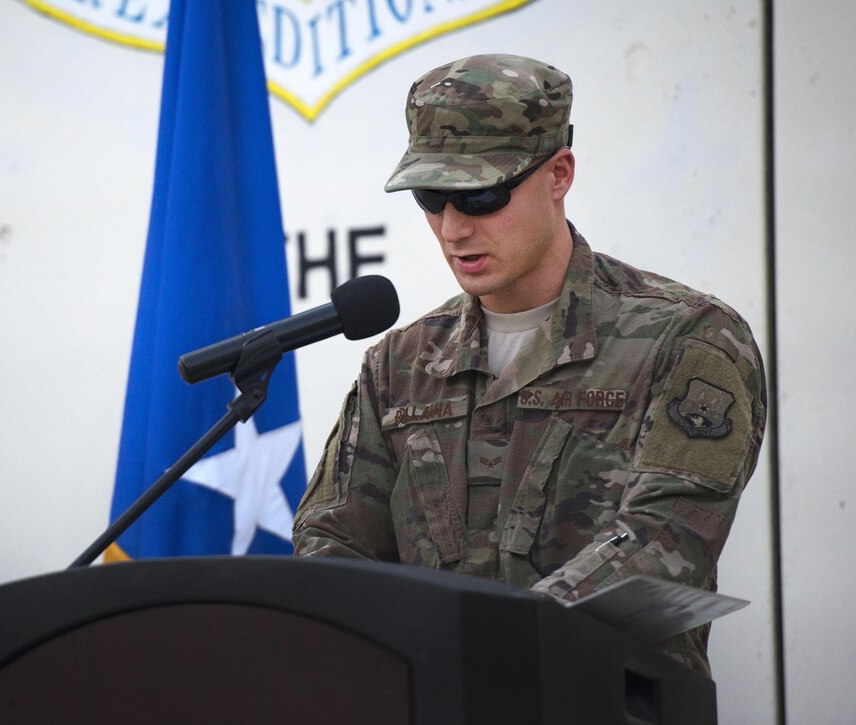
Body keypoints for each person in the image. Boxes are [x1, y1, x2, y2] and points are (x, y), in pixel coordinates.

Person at [291, 53, 767, 676]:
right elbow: (333, 546)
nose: (453, 229)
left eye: (481, 195)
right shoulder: (399, 365)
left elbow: (666, 542)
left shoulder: (686, 340)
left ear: (559, 174)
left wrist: (473, 645)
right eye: (432, 199)